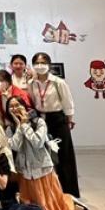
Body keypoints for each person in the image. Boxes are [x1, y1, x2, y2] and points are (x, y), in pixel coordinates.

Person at [6, 96, 73, 210]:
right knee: (30, 202)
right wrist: (20, 126)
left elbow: (37, 142)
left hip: (42, 168)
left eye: (17, 105)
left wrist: (25, 125)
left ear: (25, 106)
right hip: (25, 171)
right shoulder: (10, 128)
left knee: (48, 201)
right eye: (11, 107)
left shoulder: (39, 122)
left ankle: (70, 205)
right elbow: (15, 146)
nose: (14, 109)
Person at [27, 52, 80, 198]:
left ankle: (69, 192)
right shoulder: (31, 83)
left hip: (57, 119)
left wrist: (69, 119)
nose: (40, 66)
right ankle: (49, 191)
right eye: (37, 63)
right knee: (44, 155)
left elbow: (68, 102)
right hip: (40, 119)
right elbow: (32, 101)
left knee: (64, 154)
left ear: (49, 65)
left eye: (43, 63)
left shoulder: (58, 82)